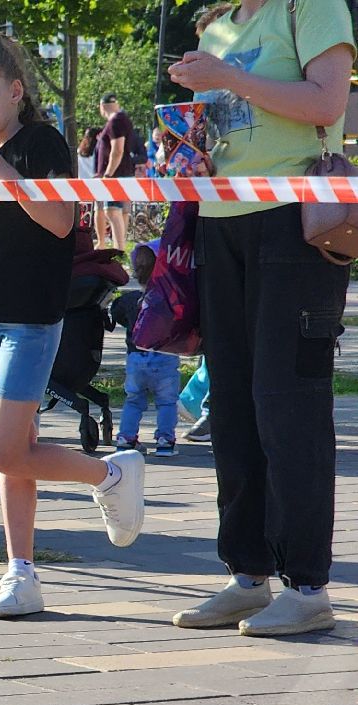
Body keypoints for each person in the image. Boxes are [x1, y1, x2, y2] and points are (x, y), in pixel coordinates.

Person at [0, 29, 146, 619]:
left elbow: (58, 221)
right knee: (17, 451)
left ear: (15, 90)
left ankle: (107, 475)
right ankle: (21, 571)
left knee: (2, 450)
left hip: (32, 316)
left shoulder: (43, 145)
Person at [167, 0, 353, 636]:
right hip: (222, 225)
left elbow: (328, 105)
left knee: (288, 403)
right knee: (234, 408)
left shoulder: (311, 6)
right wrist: (188, 147)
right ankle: (247, 575)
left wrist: (227, 78)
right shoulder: (217, 24)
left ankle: (307, 586)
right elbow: (230, 131)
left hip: (294, 224)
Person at [108, 242, 181, 456]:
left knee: (133, 399)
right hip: (165, 357)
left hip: (136, 358)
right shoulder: (172, 299)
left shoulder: (130, 300)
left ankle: (126, 437)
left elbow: (118, 315)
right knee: (167, 402)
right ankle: (165, 440)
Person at [94, 93, 142, 250]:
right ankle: (119, 248)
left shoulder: (116, 121)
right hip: (121, 172)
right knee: (118, 211)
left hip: (116, 174)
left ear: (102, 106)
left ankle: (119, 249)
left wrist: (108, 174)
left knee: (112, 211)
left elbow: (117, 150)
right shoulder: (120, 120)